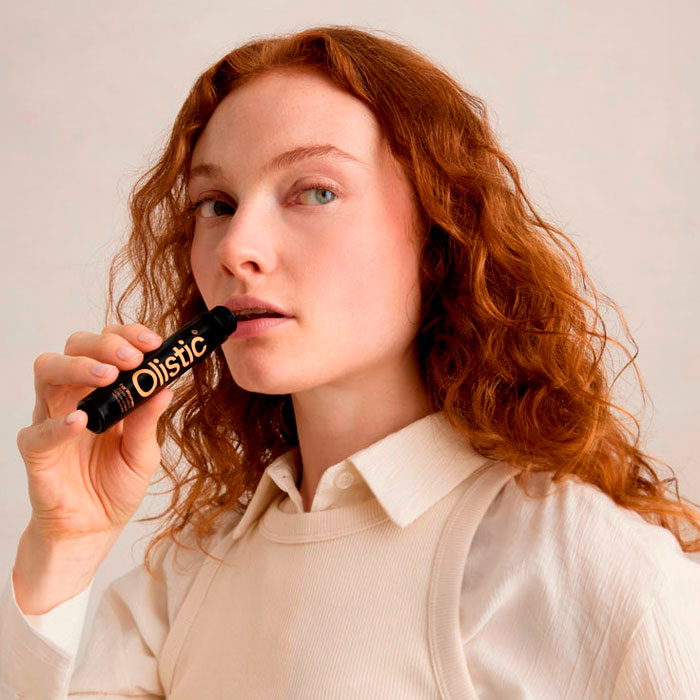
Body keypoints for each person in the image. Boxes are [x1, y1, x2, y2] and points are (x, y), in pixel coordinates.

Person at [2, 24, 699, 699]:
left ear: (441, 231)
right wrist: (63, 546)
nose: (235, 247)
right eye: (216, 204)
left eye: (315, 192)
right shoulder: (189, 573)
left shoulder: (568, 558)